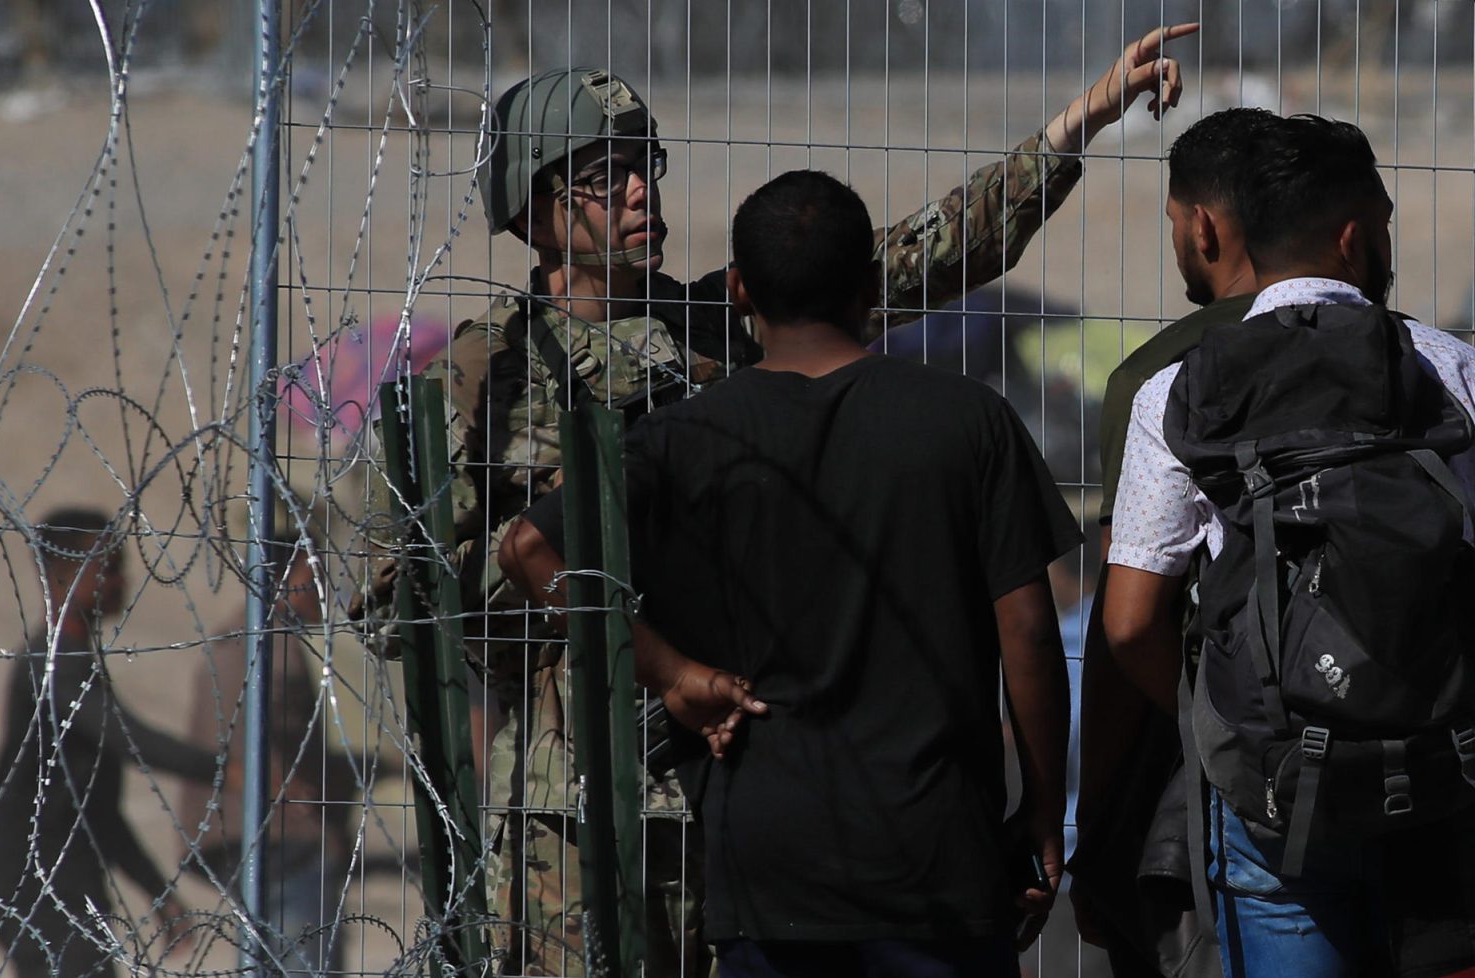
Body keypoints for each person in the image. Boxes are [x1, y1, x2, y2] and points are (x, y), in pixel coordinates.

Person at [353, 24, 1198, 976]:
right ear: (536, 213)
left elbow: (924, 254)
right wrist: (586, 577)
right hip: (573, 804)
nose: (640, 191)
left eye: (644, 165)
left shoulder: (717, 327)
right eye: (603, 175)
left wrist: (1076, 125)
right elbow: (394, 601)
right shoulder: (481, 375)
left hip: (733, 790)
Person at [499, 168, 1080, 978]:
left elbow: (527, 549)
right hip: (936, 859)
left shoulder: (687, 438)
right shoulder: (966, 420)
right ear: (872, 284)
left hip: (763, 867)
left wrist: (669, 672)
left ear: (737, 288)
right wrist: (1044, 810)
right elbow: (1026, 630)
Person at [1102, 113, 1475, 978]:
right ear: (1355, 238)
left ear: (1230, 235)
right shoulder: (1448, 368)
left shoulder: (1178, 391)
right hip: (1440, 778)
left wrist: (1222, 723)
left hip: (1269, 790)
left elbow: (1126, 625)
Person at [1071, 107, 1271, 978]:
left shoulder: (1157, 382)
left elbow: (1126, 627)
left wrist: (1095, 810)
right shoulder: (1424, 356)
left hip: (1205, 772)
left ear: (1204, 227)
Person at [0, 507, 220, 978]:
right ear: (64, 575)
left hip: (66, 873)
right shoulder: (51, 667)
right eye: (109, 566)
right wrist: (226, 769)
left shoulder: (80, 663)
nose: (123, 580)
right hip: (28, 874)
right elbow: (125, 738)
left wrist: (158, 893)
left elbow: (98, 807)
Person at [177, 533, 357, 975]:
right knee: (303, 960)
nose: (321, 592)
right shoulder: (272, 644)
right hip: (280, 832)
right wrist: (314, 819)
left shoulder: (234, 636)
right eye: (310, 578)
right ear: (280, 580)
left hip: (233, 828)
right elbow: (270, 741)